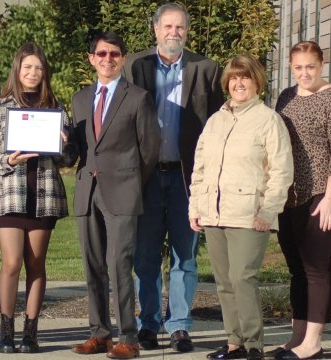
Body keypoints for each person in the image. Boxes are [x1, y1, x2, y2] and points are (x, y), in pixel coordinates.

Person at [122, 3, 224, 352]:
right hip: (147, 178)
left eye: (180, 27)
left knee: (186, 256)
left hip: (187, 179)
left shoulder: (206, 69)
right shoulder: (134, 67)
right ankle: (148, 322)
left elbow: (217, 125)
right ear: (155, 30)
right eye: (168, 27)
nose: (173, 33)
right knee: (146, 256)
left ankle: (179, 324)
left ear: (186, 31)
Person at [189, 54, 293, 360]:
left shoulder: (268, 120)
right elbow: (200, 167)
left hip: (250, 215)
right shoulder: (215, 121)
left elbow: (281, 170)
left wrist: (268, 210)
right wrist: (196, 206)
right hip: (214, 212)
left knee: (242, 278)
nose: (239, 83)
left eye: (245, 77)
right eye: (233, 78)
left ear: (256, 81)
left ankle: (253, 345)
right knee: (224, 282)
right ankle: (233, 342)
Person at [0, 42, 76, 354]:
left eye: (38, 68)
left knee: (36, 264)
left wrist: (64, 144)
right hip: (10, 195)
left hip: (43, 195)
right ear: (17, 70)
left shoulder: (55, 109)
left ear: (44, 72)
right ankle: (5, 332)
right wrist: (8, 161)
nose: (33, 73)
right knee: (11, 263)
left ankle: (30, 333)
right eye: (27, 67)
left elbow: (69, 159)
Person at [69, 31, 159, 360]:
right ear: (91, 58)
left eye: (115, 54)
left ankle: (128, 338)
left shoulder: (137, 97)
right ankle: (99, 334)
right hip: (87, 191)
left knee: (119, 265)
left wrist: (130, 181)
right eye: (102, 54)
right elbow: (77, 151)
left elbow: (149, 150)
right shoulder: (79, 99)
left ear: (123, 58)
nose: (108, 59)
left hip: (122, 192)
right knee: (93, 265)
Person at [271, 41, 331, 360]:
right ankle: (297, 337)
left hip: (323, 191)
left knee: (316, 267)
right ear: (291, 67)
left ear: (321, 64)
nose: (304, 73)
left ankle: (314, 343)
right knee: (295, 268)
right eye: (298, 67)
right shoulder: (286, 97)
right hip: (289, 192)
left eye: (310, 67)